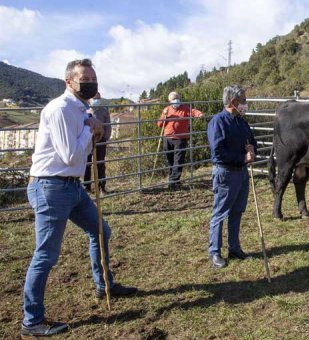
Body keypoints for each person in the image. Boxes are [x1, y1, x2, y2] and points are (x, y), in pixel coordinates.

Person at [21, 59, 137, 337]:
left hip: (71, 186)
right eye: (85, 78)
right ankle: (32, 320)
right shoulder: (61, 109)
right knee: (46, 255)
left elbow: (81, 154)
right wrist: (90, 128)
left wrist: (92, 128)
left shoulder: (81, 108)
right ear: (69, 81)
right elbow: (70, 155)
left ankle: (104, 284)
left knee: (100, 231)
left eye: (93, 78)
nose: (91, 83)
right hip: (50, 187)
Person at [206, 84, 257, 268]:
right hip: (226, 173)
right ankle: (215, 252)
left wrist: (252, 149)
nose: (245, 104)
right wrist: (242, 157)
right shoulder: (218, 122)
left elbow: (252, 140)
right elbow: (218, 153)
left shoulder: (241, 121)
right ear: (233, 101)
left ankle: (234, 247)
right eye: (243, 101)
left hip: (241, 173)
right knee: (220, 213)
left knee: (237, 210)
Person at [157, 91, 204, 189]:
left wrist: (199, 114)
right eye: (173, 98)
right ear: (169, 101)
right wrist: (164, 116)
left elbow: (193, 111)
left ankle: (173, 183)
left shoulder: (185, 108)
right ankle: (174, 180)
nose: (176, 100)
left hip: (180, 138)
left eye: (177, 97)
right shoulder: (166, 109)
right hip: (167, 138)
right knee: (169, 160)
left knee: (178, 161)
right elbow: (159, 124)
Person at [83, 92, 112, 195]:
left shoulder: (104, 111)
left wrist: (105, 138)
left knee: (100, 164)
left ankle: (101, 187)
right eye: (94, 98)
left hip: (100, 140)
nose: (96, 100)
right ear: (90, 99)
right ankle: (86, 187)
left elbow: (108, 126)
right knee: (87, 164)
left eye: (98, 98)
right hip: (87, 140)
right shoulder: (85, 111)